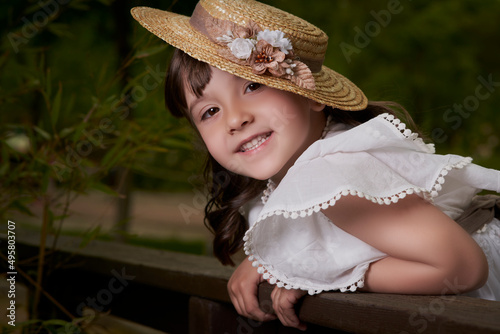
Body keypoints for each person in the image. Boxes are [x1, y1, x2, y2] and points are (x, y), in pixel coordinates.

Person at [131, 0, 500, 330]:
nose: (235, 119)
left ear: (311, 97)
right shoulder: (295, 178)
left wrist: (322, 276)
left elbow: (462, 268)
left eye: (253, 86)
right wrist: (270, 262)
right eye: (209, 111)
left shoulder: (332, 174)